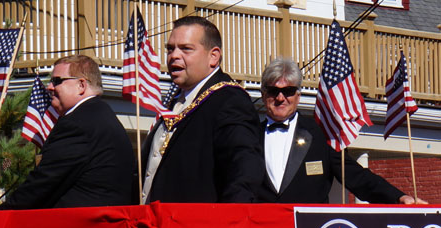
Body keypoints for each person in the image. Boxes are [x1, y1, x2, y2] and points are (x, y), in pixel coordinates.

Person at [257, 57, 425, 204]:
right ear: (264, 95)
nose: (280, 98)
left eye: (288, 91)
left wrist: (397, 197)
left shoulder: (320, 134)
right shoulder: (249, 136)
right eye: (273, 91)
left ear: (298, 96)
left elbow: (356, 175)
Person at [141, 16, 264, 204]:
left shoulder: (229, 100)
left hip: (199, 227)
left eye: (186, 49)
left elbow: (243, 172)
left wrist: (228, 226)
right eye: (170, 48)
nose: (174, 55)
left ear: (213, 56)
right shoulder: (175, 103)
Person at [0, 55, 134, 209]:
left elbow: (43, 183)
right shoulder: (102, 116)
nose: (49, 87)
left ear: (81, 85)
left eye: (57, 81)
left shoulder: (79, 124)